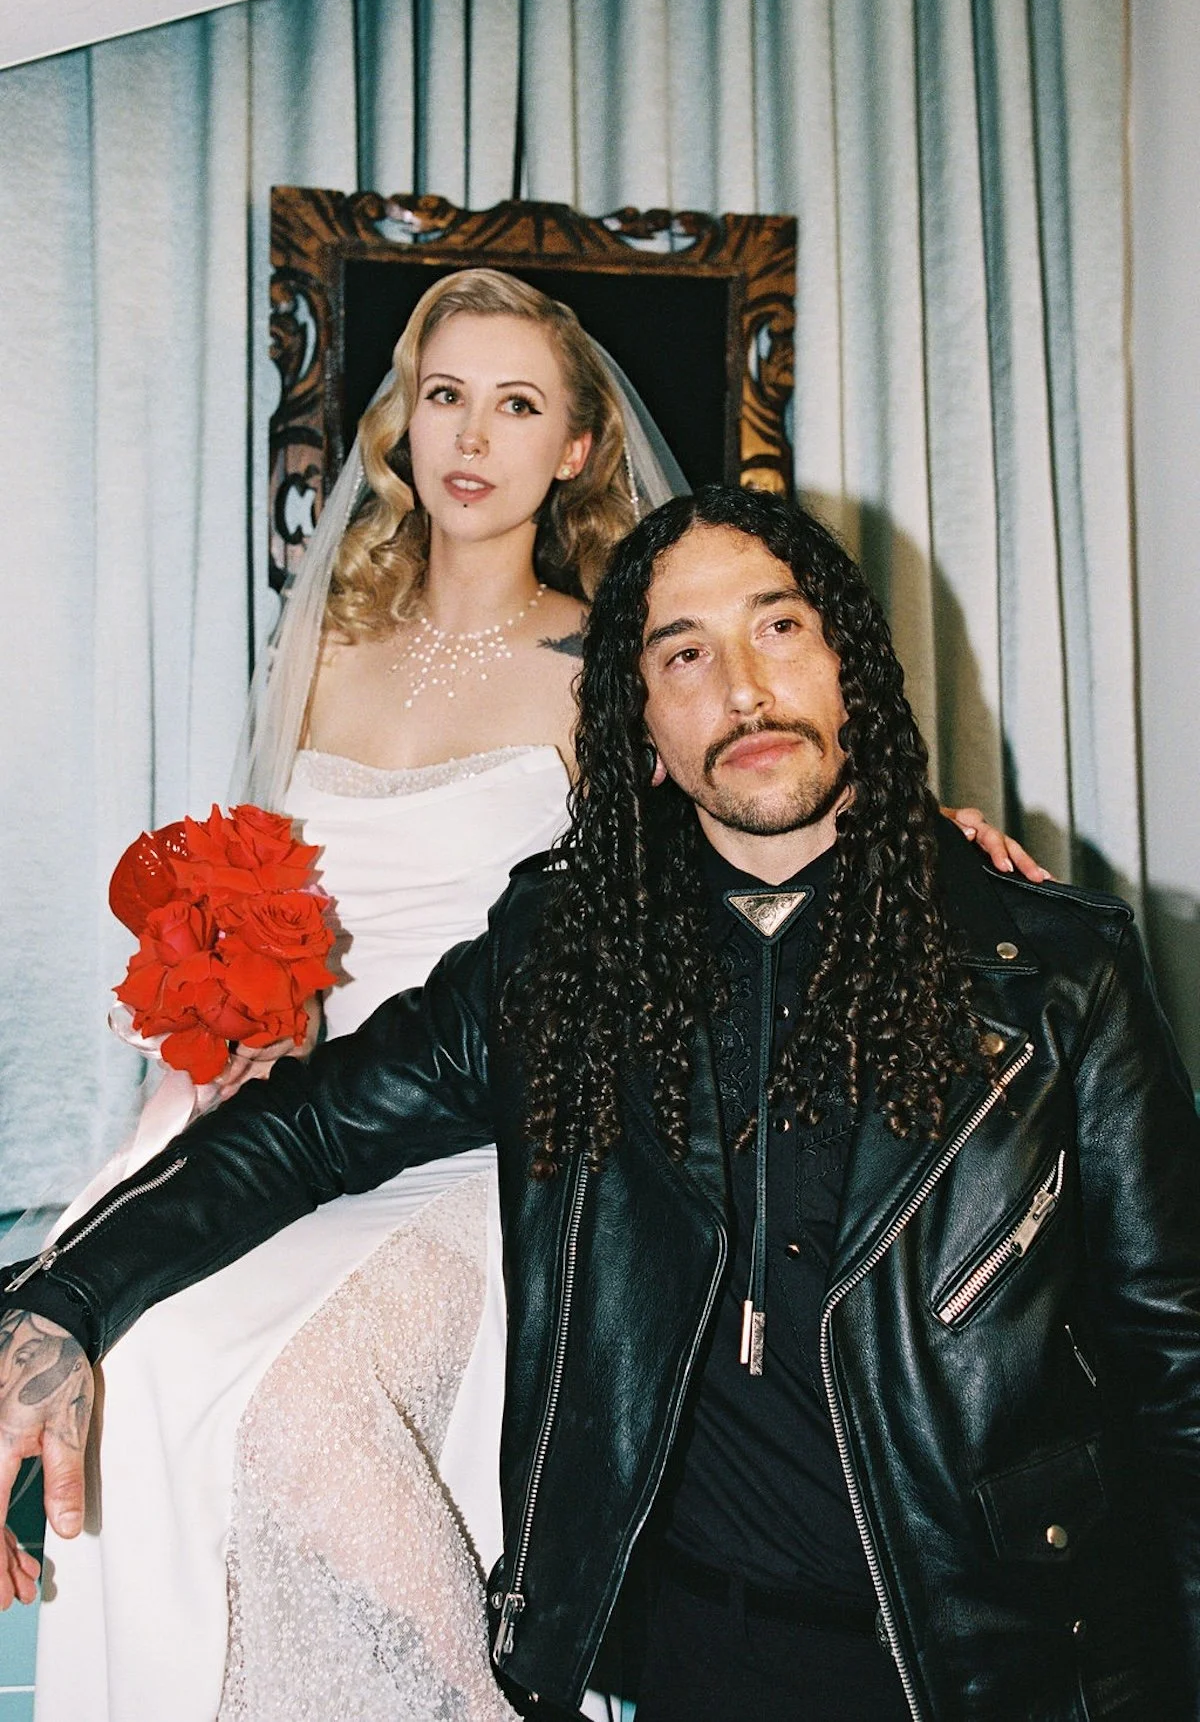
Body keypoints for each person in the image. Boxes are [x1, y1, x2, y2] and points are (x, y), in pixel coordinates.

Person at [2, 478, 1053, 1720]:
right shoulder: (566, 960)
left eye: (778, 627)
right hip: (692, 1650)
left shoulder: (1047, 975)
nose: (743, 688)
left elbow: (1170, 1359)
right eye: (685, 653)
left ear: (849, 668)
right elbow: (312, 1127)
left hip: (977, 1660)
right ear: (637, 724)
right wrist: (59, 1302)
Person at [21, 267, 684, 1722]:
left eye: (518, 405)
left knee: (302, 1405)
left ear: (576, 447)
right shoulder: (325, 643)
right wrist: (233, 1018)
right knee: (137, 1349)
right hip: (289, 1116)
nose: (474, 435)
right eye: (446, 394)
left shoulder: (611, 666)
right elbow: (262, 893)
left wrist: (929, 833)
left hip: (482, 1134)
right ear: (404, 422)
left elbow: (720, 860)